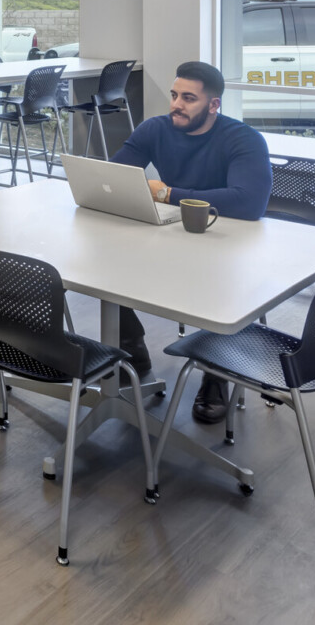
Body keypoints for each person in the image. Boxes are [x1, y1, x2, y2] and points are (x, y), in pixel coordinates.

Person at [107, 60, 271, 423]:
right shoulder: (156, 129)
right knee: (105, 262)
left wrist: (167, 193)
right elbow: (115, 177)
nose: (176, 104)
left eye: (189, 98)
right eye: (174, 95)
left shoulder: (243, 139)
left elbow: (249, 203)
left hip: (229, 242)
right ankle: (132, 351)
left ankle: (217, 374)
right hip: (175, 233)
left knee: (223, 284)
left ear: (213, 105)